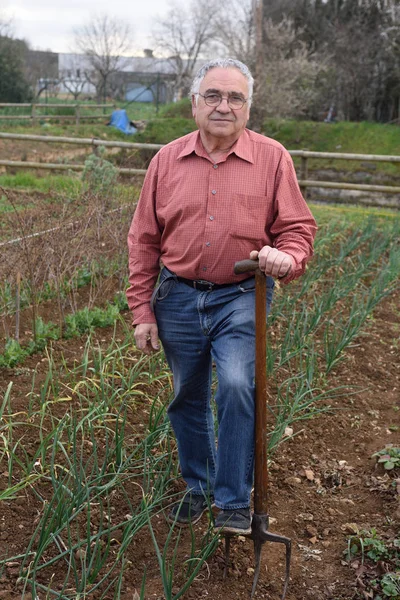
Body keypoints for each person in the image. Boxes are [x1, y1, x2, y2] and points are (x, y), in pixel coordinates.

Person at [127, 58, 317, 535]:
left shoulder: (273, 158)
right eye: (213, 95)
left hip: (241, 294)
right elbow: (144, 239)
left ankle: (233, 501)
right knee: (186, 395)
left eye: (235, 98)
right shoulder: (165, 161)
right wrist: (142, 309)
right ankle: (199, 486)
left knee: (235, 385)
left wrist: (286, 258)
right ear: (194, 103)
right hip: (176, 295)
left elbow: (297, 228)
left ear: (248, 107)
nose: (223, 106)